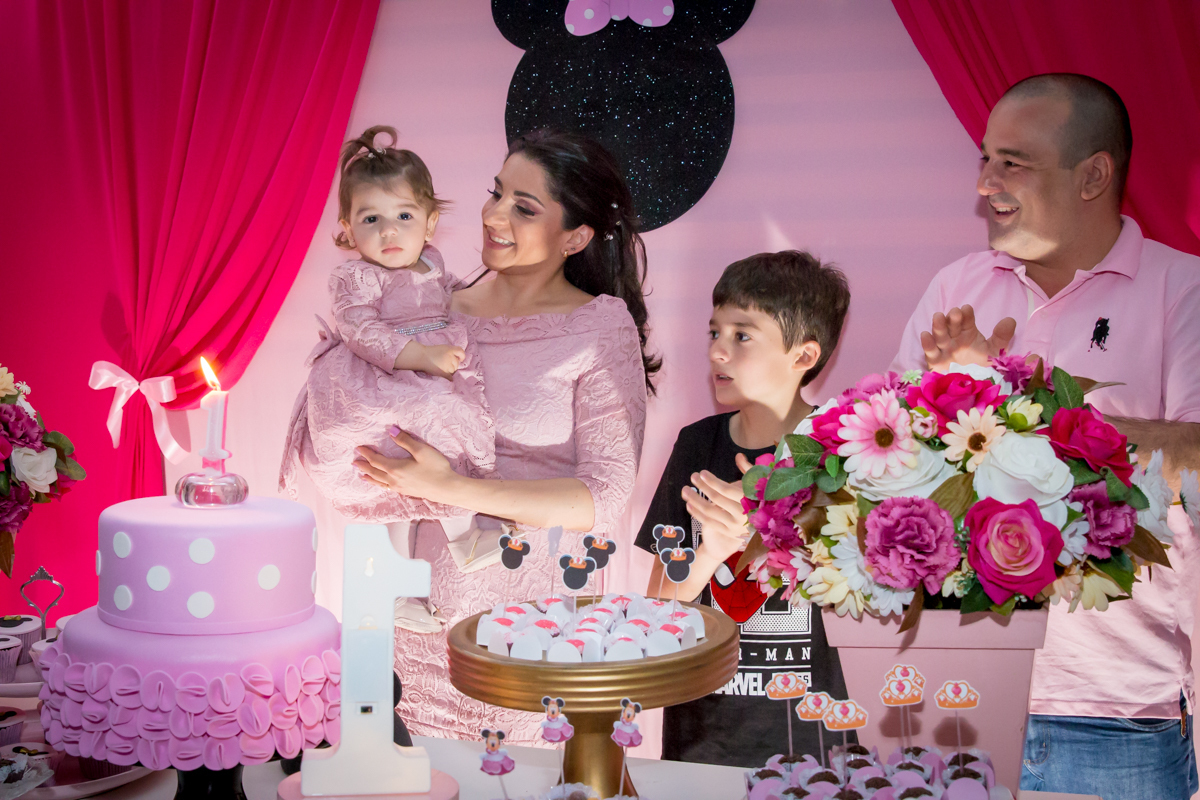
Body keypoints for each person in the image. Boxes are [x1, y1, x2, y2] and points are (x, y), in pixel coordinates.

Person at [892, 73, 1200, 799]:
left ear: (1093, 174)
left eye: (1013, 163)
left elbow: (1193, 457)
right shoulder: (955, 288)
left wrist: (1009, 398)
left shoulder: (1181, 290)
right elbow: (890, 467)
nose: (987, 185)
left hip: (1114, 711)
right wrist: (941, 410)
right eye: (985, 159)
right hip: (955, 691)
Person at [353, 129, 656, 744]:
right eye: (497, 192)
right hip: (419, 618)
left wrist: (456, 487)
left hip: (533, 630)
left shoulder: (599, 330)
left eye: (524, 207)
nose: (492, 215)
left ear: (575, 237)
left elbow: (601, 498)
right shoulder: (432, 310)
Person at [634, 251, 853, 767]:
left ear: (803, 356)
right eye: (714, 333)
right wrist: (711, 553)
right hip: (703, 739)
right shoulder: (696, 446)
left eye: (742, 335)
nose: (717, 352)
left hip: (817, 745)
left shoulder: (844, 452)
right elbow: (657, 609)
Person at [280, 125, 494, 532]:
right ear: (348, 228)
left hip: (430, 361)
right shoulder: (355, 277)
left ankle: (461, 531)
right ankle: (397, 538)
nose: (388, 230)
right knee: (399, 434)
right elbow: (360, 330)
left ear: (430, 224)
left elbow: (447, 294)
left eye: (404, 215)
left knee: (449, 435)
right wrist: (422, 356)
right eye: (371, 218)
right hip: (376, 371)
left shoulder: (432, 262)